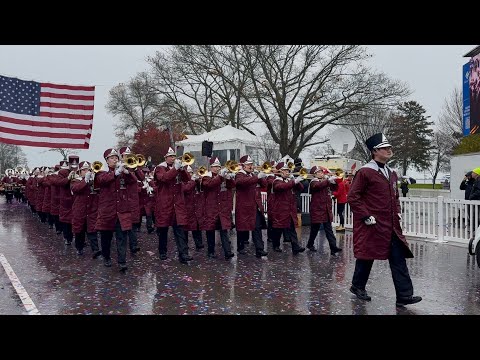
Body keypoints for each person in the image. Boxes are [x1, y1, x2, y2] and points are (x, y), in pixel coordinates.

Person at [348, 133, 422, 307]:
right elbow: (353, 196)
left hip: (391, 225)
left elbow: (395, 196)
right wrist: (365, 215)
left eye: (389, 147)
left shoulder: (392, 173)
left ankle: (404, 295)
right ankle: (357, 286)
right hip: (371, 224)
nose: (389, 150)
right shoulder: (365, 172)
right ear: (375, 151)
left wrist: (397, 212)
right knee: (367, 256)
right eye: (385, 148)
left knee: (398, 258)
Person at [234, 155, 268, 258]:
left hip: (254, 206)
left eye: (251, 164)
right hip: (243, 207)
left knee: (256, 227)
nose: (251, 166)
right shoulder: (239, 175)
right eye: (248, 164)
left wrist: (261, 176)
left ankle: (259, 249)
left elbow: (264, 185)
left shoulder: (253, 175)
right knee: (242, 228)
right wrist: (256, 177)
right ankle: (240, 247)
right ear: (243, 166)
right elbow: (242, 182)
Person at [306, 166, 343, 255]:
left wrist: (334, 181)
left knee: (328, 229)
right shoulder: (313, 182)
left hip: (325, 209)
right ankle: (310, 244)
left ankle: (333, 247)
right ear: (314, 174)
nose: (321, 173)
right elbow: (318, 186)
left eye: (321, 172)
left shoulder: (325, 181)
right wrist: (328, 180)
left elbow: (335, 189)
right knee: (314, 230)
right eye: (318, 172)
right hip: (317, 209)